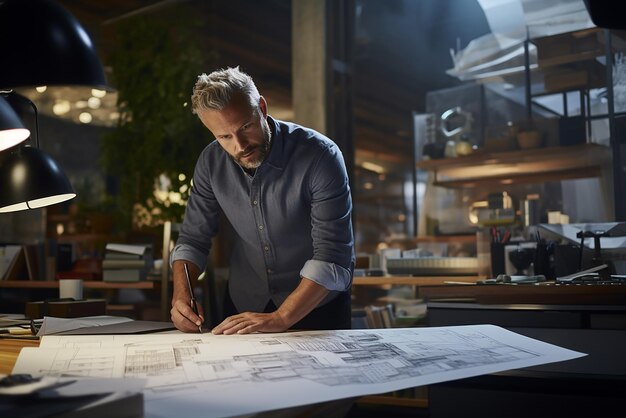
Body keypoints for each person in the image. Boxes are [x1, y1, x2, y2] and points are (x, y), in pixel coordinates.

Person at [170, 66, 355, 335]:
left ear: (262, 108)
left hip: (316, 308)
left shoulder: (320, 156)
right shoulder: (210, 163)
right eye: (224, 137)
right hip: (244, 305)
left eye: (245, 126)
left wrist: (281, 317)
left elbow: (332, 256)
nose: (240, 145)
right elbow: (192, 240)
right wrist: (180, 296)